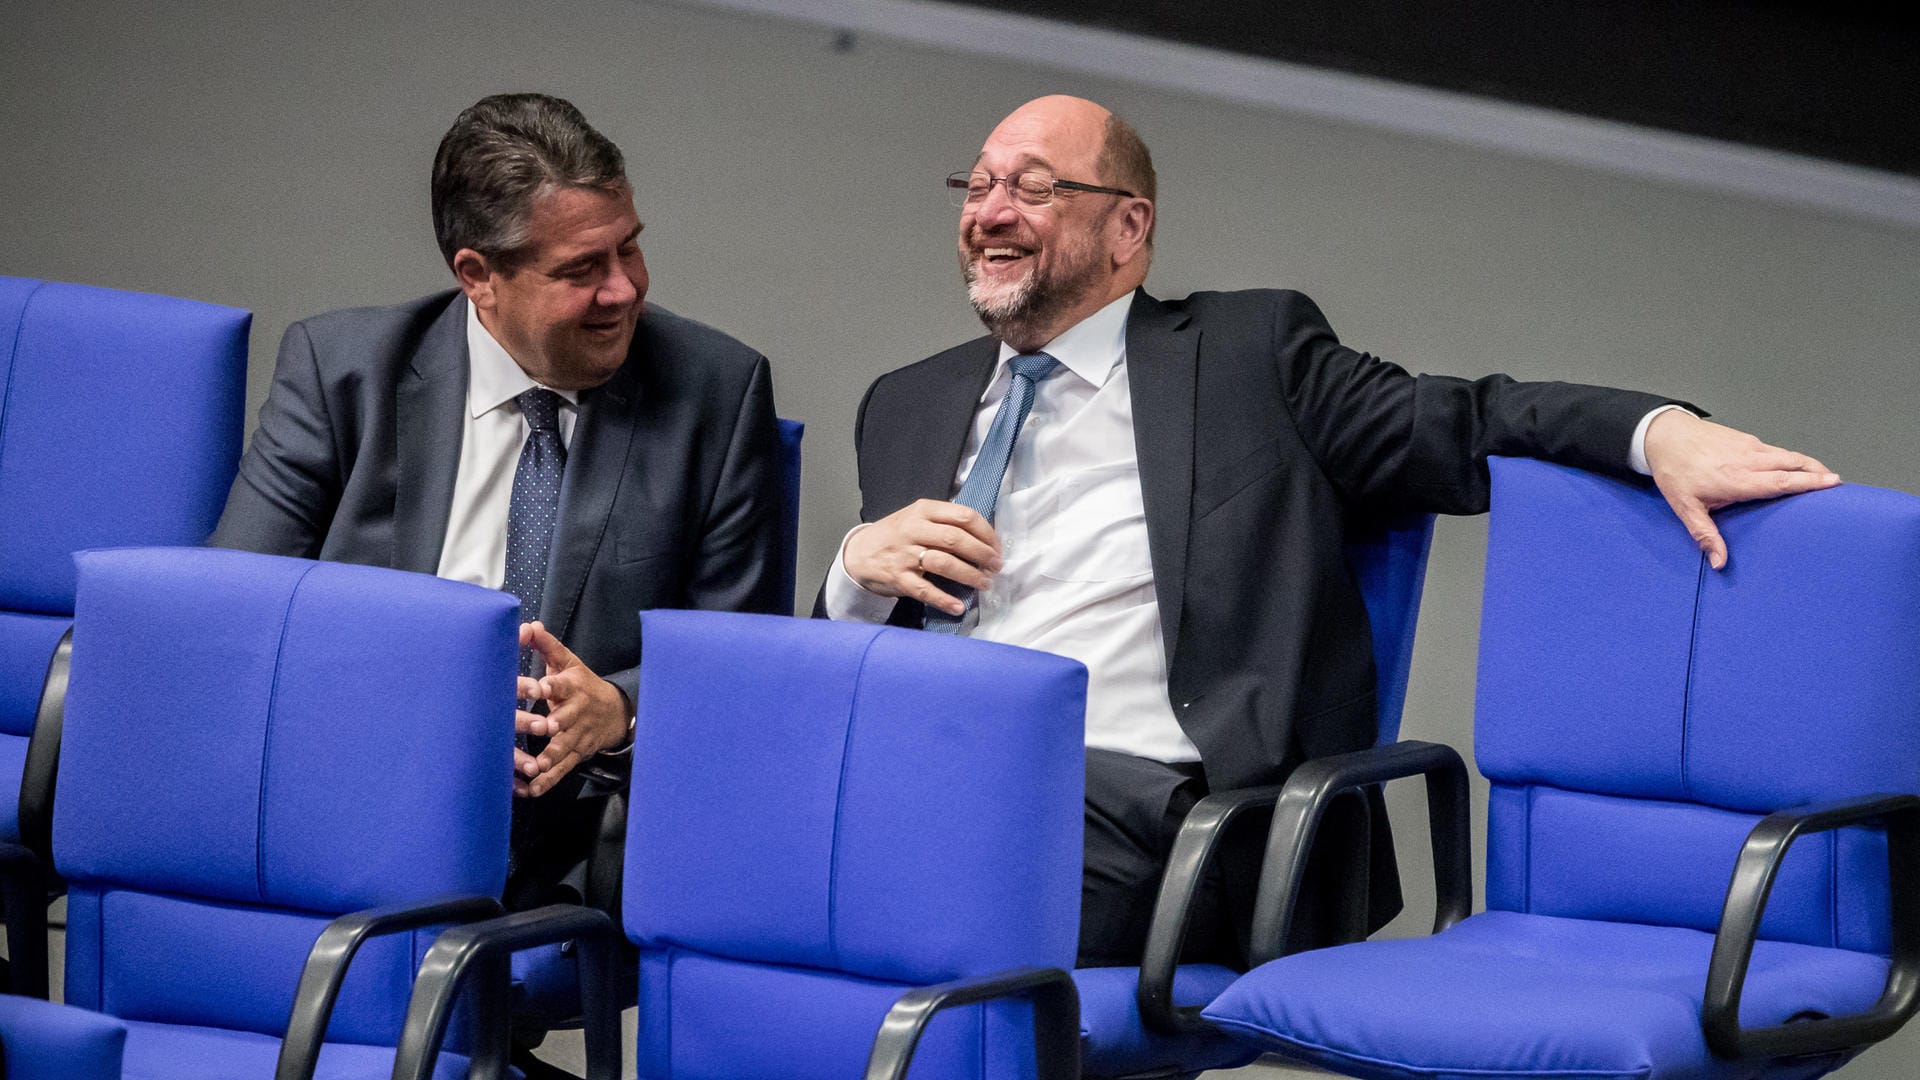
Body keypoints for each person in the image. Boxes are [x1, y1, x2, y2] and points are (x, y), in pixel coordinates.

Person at [820, 94, 1839, 968]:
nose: (990, 212)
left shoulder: (1249, 354)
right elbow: (843, 677)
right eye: (978, 184)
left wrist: (1655, 432)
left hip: (1167, 819)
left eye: (1033, 188)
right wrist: (853, 574)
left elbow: (1466, 423)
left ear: (1129, 228)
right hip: (936, 777)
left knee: (896, 899)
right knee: (735, 847)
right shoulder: (907, 403)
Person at [213, 92, 785, 914]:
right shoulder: (343, 374)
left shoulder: (716, 394)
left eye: (630, 250)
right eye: (582, 270)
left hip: (561, 841)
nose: (624, 291)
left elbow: (742, 656)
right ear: (478, 276)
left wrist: (620, 705)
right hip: (338, 794)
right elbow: (232, 610)